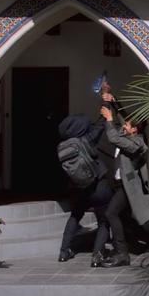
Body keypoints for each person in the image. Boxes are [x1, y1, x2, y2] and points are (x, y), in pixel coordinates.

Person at [99, 93, 149, 268]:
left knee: (111, 213)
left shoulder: (137, 144)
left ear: (134, 129)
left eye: (127, 125)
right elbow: (123, 120)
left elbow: (113, 137)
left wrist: (109, 119)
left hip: (127, 188)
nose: (123, 126)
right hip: (120, 184)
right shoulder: (129, 136)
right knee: (125, 218)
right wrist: (114, 101)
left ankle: (122, 254)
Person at [57, 113, 113, 267]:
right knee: (103, 221)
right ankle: (97, 255)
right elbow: (100, 125)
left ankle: (63, 252)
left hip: (79, 189)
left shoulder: (63, 146)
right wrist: (106, 102)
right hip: (98, 186)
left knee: (75, 216)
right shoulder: (87, 140)